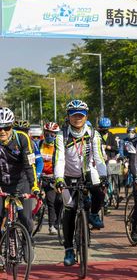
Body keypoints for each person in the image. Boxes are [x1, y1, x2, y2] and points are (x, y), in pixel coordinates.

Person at [54, 100, 107, 267]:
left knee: (99, 191)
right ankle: (69, 249)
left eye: (81, 115)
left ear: (86, 117)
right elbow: (60, 159)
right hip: (67, 175)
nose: (77, 118)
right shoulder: (61, 135)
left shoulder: (93, 134)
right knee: (69, 209)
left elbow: (98, 157)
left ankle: (92, 214)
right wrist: (59, 179)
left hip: (87, 172)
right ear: (68, 117)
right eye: (74, 115)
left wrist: (104, 175)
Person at [0, 107, 40, 236]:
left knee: (25, 218)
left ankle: (27, 243)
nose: (2, 131)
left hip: (21, 183)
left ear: (12, 126)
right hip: (2, 183)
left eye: (6, 128)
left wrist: (34, 186)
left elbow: (29, 164)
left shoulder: (22, 138)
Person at [38, 122, 63, 235]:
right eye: (47, 133)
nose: (50, 136)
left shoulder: (58, 147)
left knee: (56, 201)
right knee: (46, 201)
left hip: (53, 178)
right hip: (40, 177)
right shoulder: (39, 144)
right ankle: (48, 224)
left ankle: (55, 223)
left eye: (53, 134)